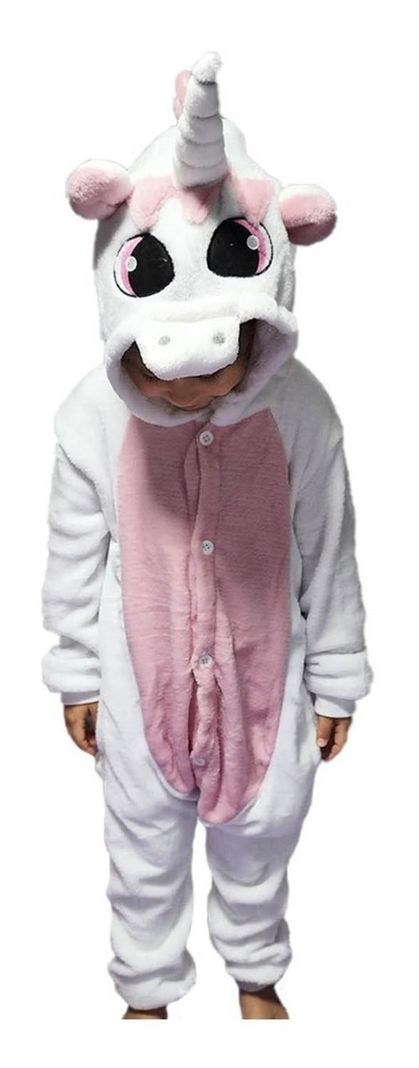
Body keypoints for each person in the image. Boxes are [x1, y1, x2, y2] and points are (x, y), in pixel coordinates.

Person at [41, 51, 373, 1020]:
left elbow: (329, 546)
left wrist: (336, 674)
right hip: (137, 674)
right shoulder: (93, 416)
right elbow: (72, 549)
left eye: (215, 364)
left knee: (262, 830)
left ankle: (256, 968)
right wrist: (76, 671)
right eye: (162, 370)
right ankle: (145, 989)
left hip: (265, 666)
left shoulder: (300, 413)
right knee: (140, 836)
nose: (188, 390)